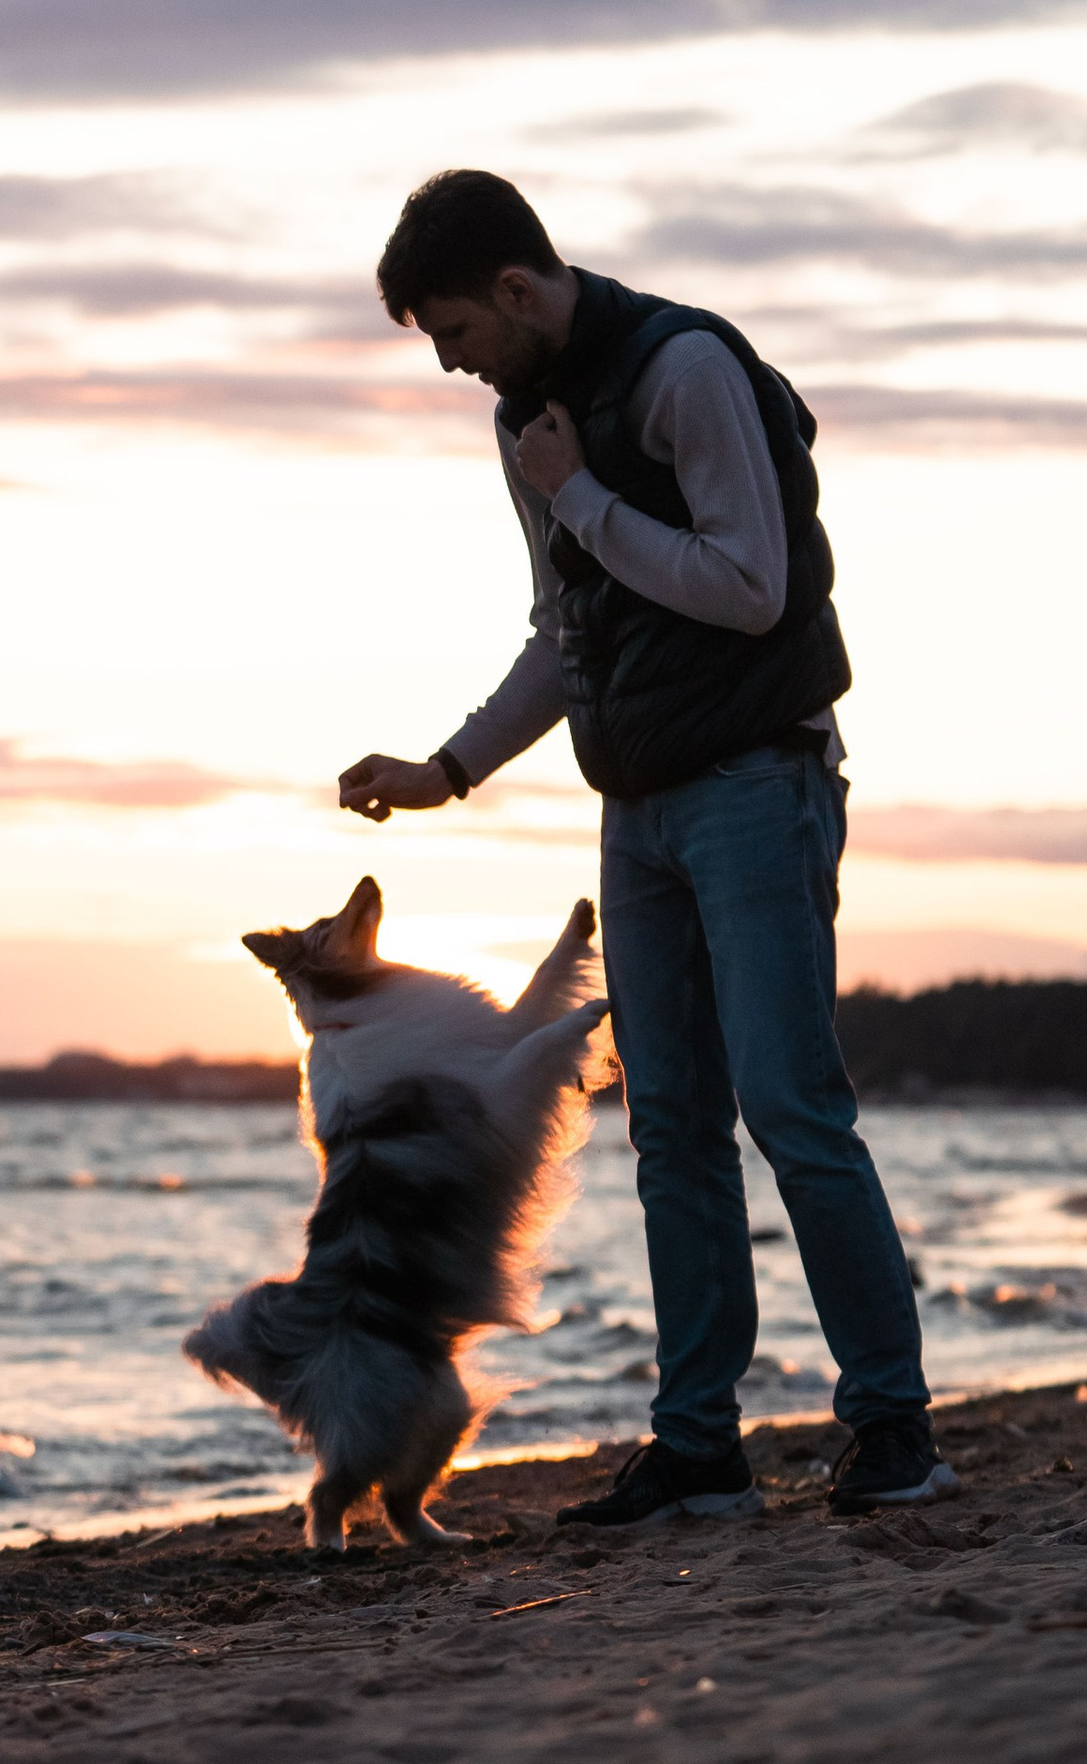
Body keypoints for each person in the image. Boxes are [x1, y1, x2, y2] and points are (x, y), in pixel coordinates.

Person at [338, 167, 948, 1527]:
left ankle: (894, 1426)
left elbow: (749, 586)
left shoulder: (685, 369)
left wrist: (588, 498)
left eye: (454, 333)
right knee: (668, 1127)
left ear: (513, 288)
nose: (452, 365)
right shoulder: (527, 427)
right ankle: (700, 1448)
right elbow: (569, 632)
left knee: (792, 1105)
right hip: (638, 804)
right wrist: (448, 770)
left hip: (757, 778)